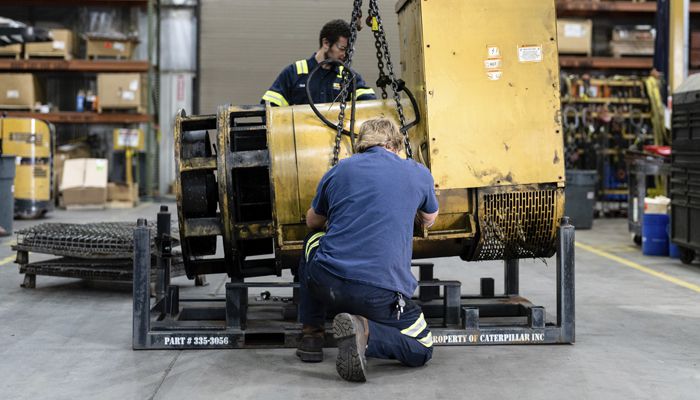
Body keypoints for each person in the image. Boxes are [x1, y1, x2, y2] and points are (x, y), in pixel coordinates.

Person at [296, 117, 439, 382]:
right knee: (422, 345)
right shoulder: (418, 173)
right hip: (379, 296)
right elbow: (430, 219)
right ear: (395, 144)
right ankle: (365, 332)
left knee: (312, 240)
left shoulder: (339, 171)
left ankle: (311, 334)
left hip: (327, 283)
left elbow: (312, 221)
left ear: (361, 145)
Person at [261, 19, 376, 107]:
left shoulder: (348, 77)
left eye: (349, 50)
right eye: (342, 48)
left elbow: (370, 104)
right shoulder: (294, 73)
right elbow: (269, 107)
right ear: (326, 43)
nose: (345, 54)